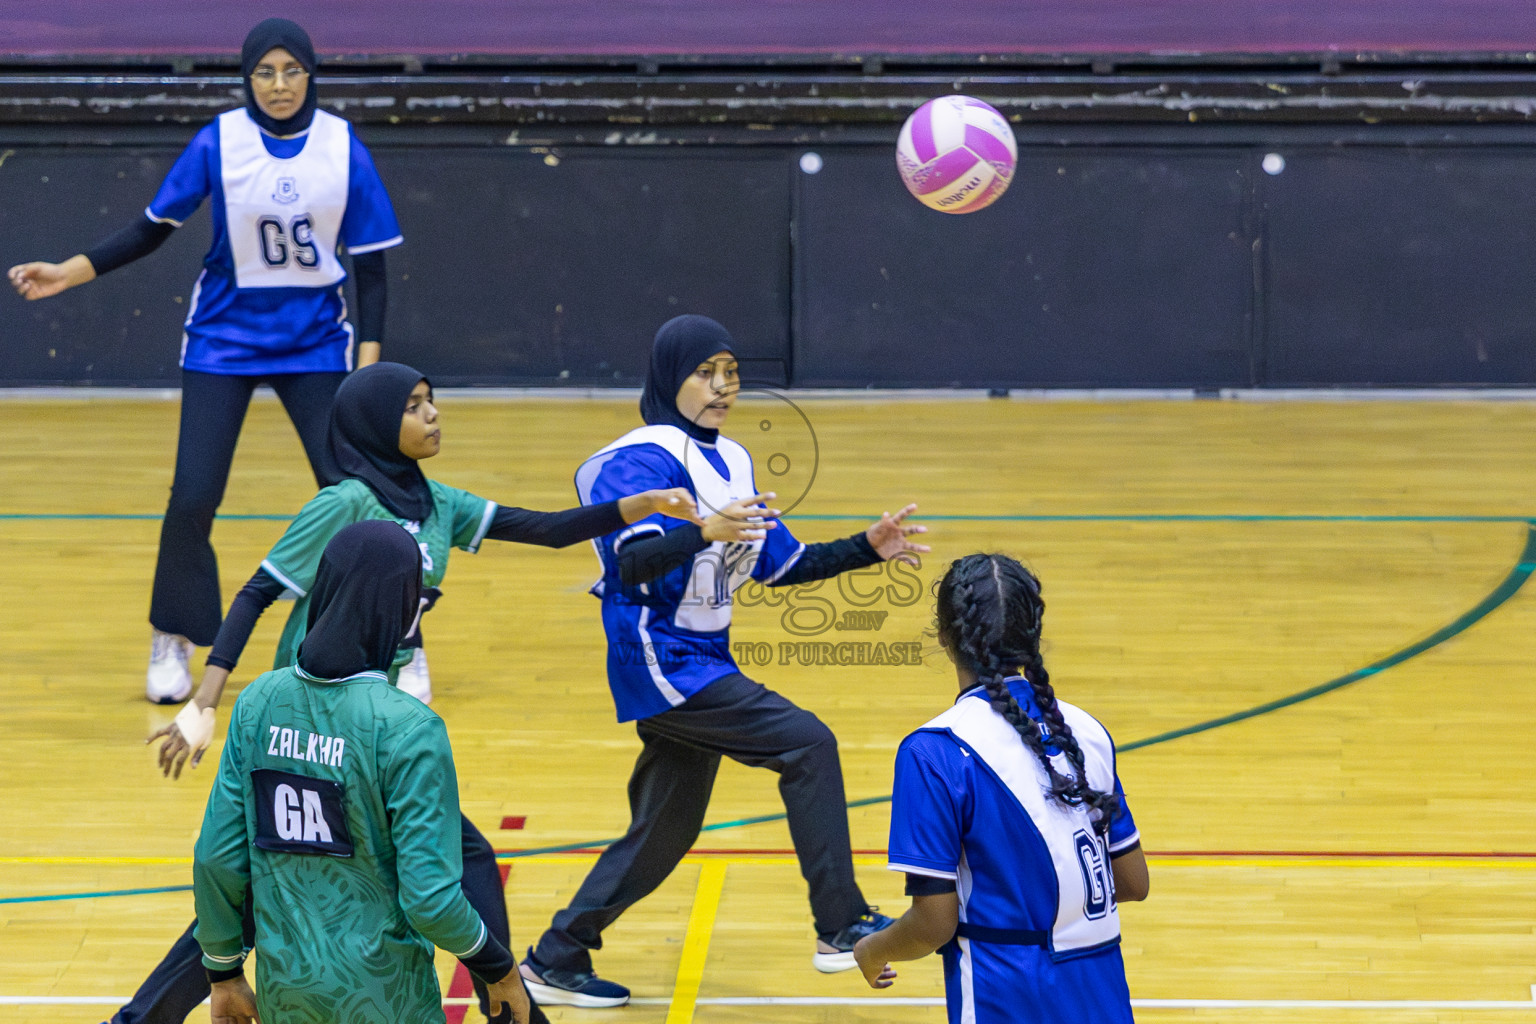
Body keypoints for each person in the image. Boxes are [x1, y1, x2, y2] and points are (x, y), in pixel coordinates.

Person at [117, 360, 697, 1024]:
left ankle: (504, 998)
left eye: (432, 401)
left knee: (288, 878)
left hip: (367, 708)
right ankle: (510, 1002)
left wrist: (643, 505)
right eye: (414, 405)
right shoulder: (342, 503)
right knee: (270, 881)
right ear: (372, 423)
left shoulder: (439, 505)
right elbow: (256, 593)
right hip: (306, 705)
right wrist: (207, 700)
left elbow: (546, 528)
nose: (432, 415)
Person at [519, 314, 931, 1008]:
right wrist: (701, 531)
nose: (721, 386)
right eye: (704, 372)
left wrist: (868, 545)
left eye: (731, 372)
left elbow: (783, 564)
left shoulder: (733, 459)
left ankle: (555, 958)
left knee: (664, 831)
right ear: (667, 377)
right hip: (658, 654)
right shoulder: (634, 460)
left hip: (703, 656)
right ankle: (841, 923)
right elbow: (633, 562)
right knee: (807, 744)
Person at [7, 18, 406, 705]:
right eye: (264, 72)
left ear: (311, 74)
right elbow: (149, 230)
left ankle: (394, 641)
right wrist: (67, 273)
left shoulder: (343, 148)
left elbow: (372, 273)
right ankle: (175, 634)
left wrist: (366, 374)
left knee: (358, 496)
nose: (279, 85)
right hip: (223, 341)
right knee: (193, 495)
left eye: (291, 71)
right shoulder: (218, 141)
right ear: (247, 79)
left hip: (315, 344)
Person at [192, 519, 532, 1024]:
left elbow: (217, 859)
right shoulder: (409, 728)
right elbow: (431, 900)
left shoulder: (258, 701)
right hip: (390, 997)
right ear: (403, 607)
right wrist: (498, 967)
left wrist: (222, 972)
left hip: (288, 994)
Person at [850, 553, 1150, 1024]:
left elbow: (933, 924)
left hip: (1004, 994)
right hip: (1102, 992)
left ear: (946, 638)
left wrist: (871, 948)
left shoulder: (936, 752)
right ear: (1032, 636)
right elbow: (1133, 883)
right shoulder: (1086, 732)